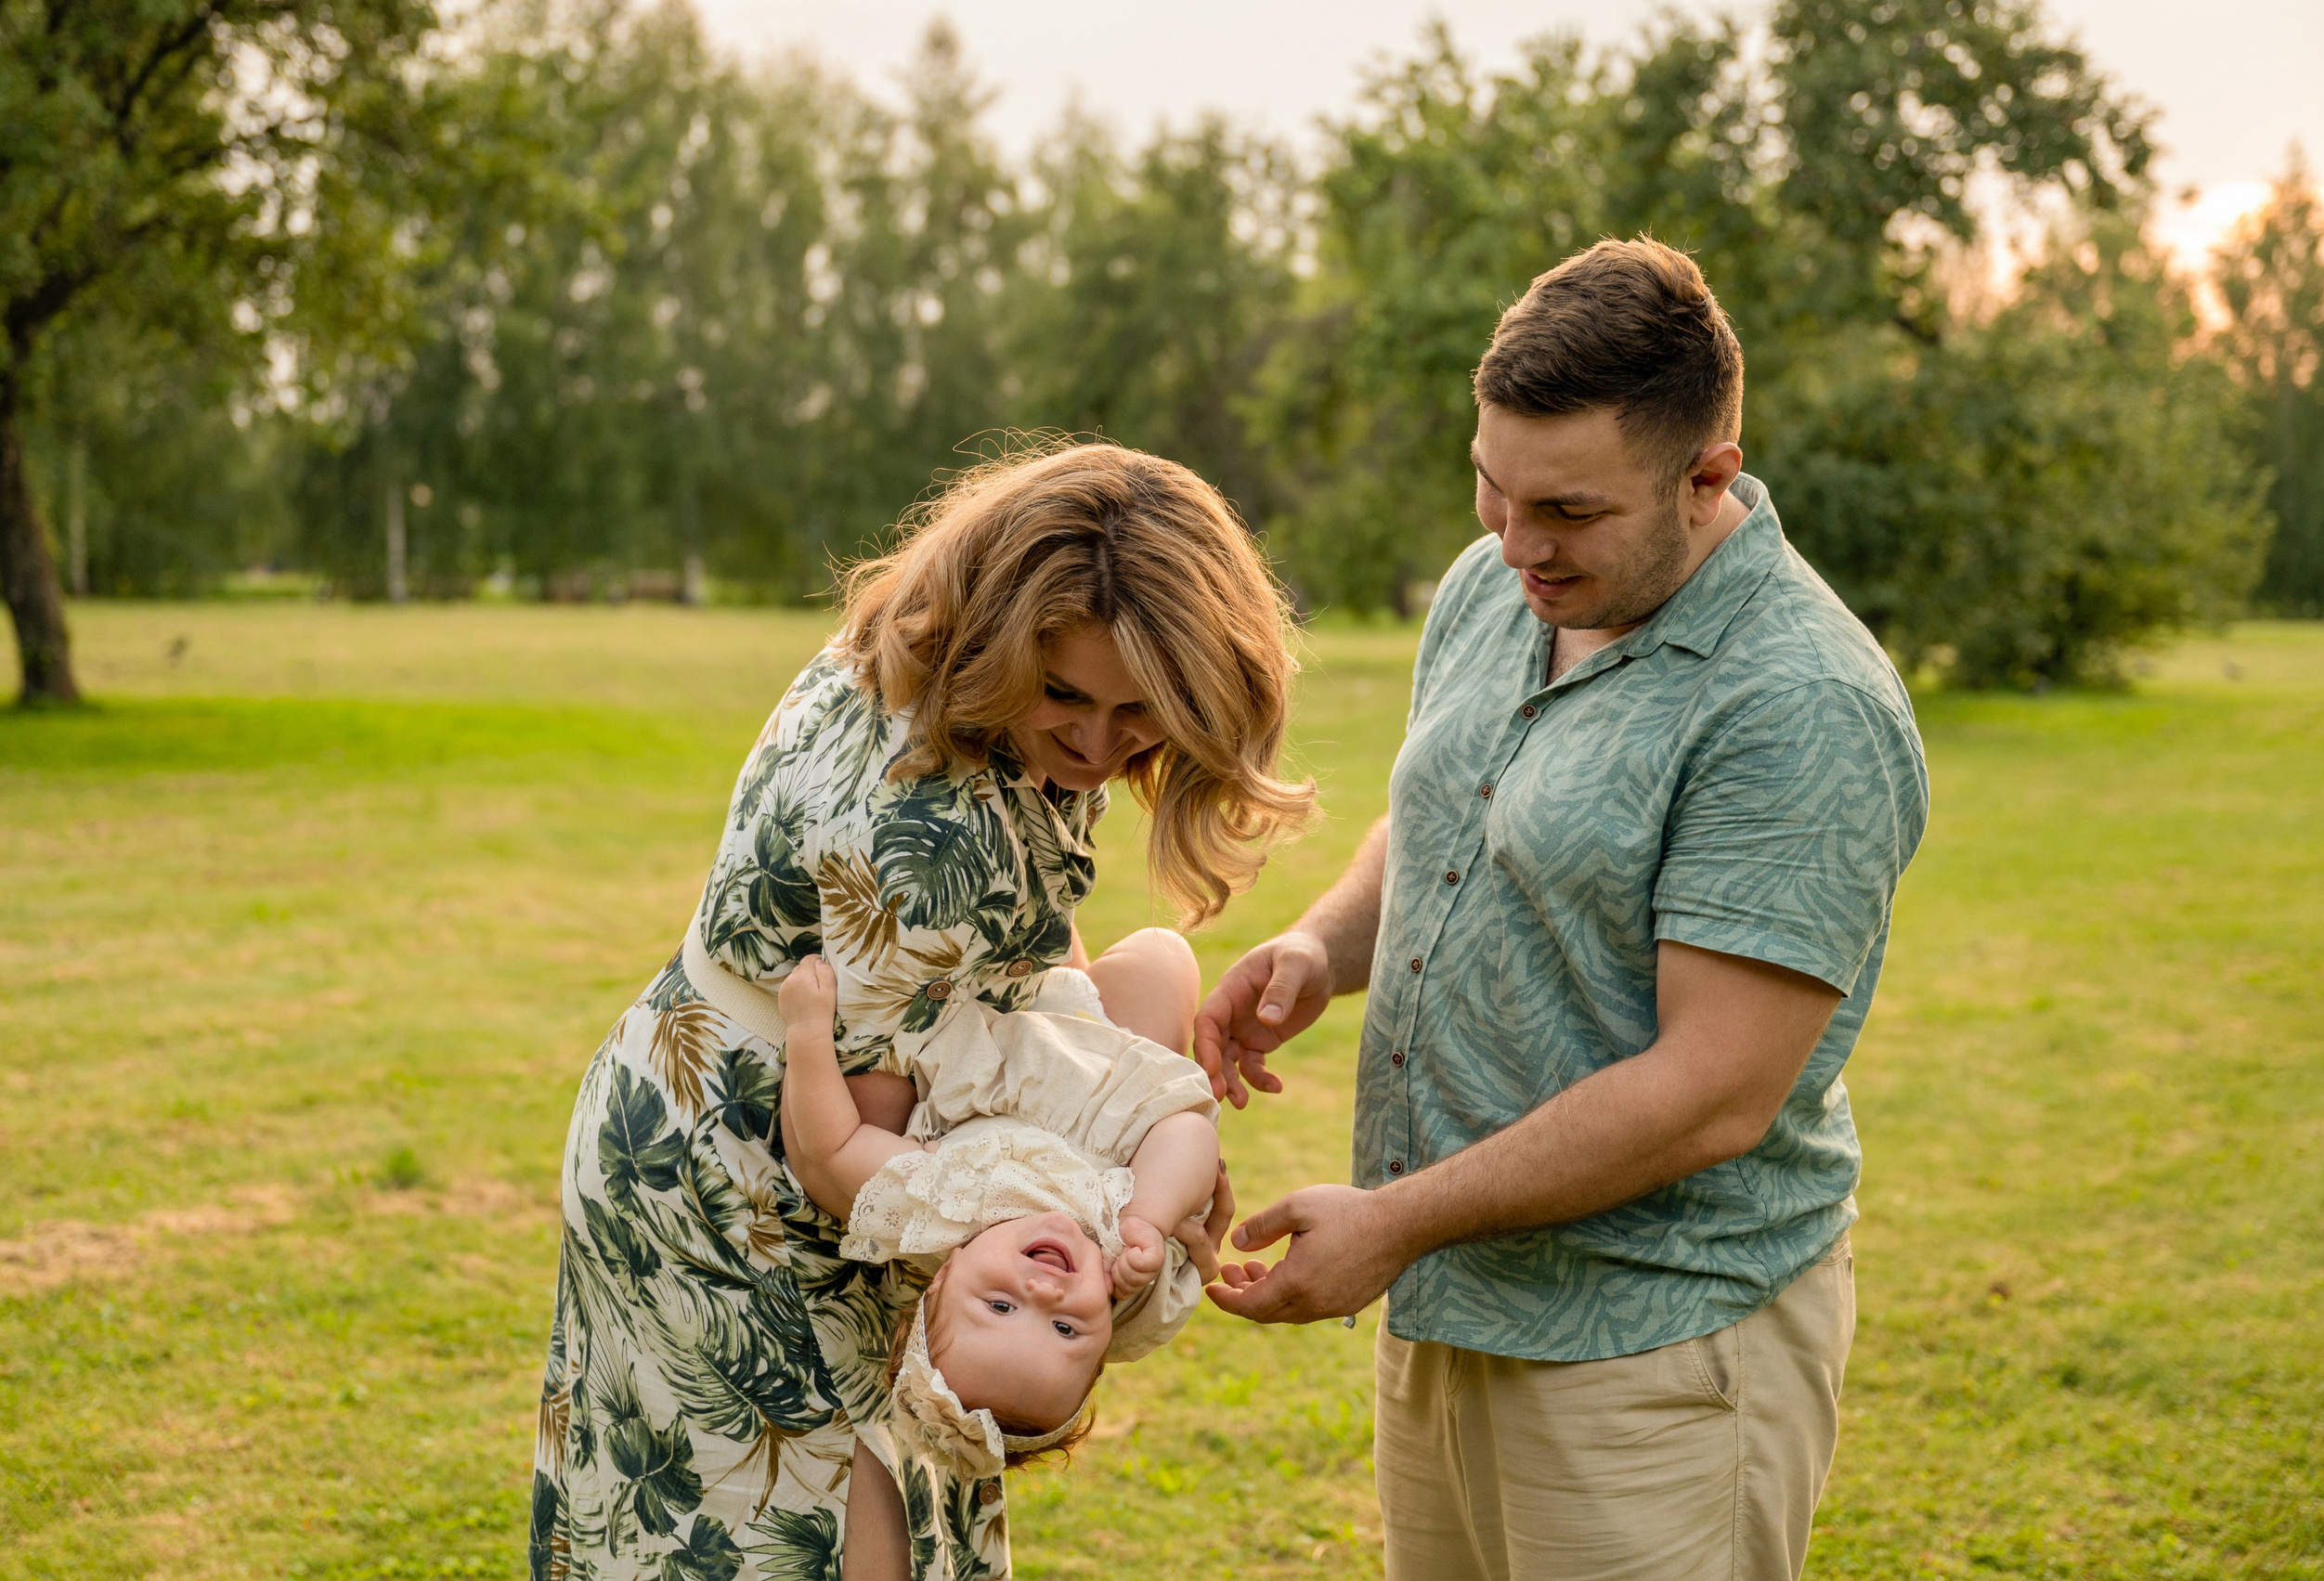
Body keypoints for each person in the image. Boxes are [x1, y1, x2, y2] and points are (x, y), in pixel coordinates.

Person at [1196, 239, 1930, 1581]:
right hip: (1456, 1306)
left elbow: (1713, 1087)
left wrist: (1399, 1216)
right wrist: (1321, 940)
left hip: (1657, 1352)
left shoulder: (1797, 702)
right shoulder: (1498, 586)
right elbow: (1461, 812)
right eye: (1493, 489)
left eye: (1569, 513)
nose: (1520, 543)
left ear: (1709, 473)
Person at [531, 442, 1310, 1581]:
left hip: (669, 1084)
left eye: (1140, 710)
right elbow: (862, 1158)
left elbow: (1027, 949)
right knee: (804, 1529)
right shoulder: (928, 842)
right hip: (756, 1182)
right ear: (1009, 635)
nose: (1098, 747)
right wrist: (1096, 1223)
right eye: (1068, 699)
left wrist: (1146, 1126)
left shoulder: (922, 643)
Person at [771, 930, 1220, 1489]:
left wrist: (806, 1032)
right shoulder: (1134, 1274)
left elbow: (830, 1149)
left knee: (1011, 935)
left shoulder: (940, 1201)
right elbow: (1188, 1130)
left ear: (941, 1283)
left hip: (1008, 1031)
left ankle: (1052, 917)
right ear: (1107, 1345)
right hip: (1122, 1064)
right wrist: (1152, 1215)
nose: (1042, 1292)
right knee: (1161, 953)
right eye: (1065, 1328)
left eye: (1001, 1305)